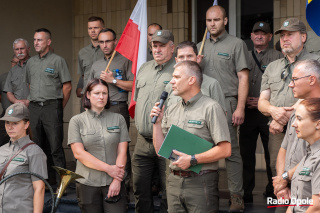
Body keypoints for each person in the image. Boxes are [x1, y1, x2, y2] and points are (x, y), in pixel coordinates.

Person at [151, 61, 231, 213]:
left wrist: (193, 159)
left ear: (191, 80)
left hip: (201, 182)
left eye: (176, 77)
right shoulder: (172, 108)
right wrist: (157, 123)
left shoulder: (211, 107)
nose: (171, 81)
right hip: (174, 181)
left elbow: (225, 150)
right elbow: (161, 150)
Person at [197, 5, 249, 210]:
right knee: (204, 148)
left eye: (216, 20)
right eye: (209, 21)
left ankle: (237, 196)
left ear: (225, 21)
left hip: (227, 101)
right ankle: (205, 192)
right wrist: (196, 64)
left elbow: (243, 77)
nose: (212, 24)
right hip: (202, 103)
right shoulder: (200, 46)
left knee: (230, 151)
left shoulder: (236, 44)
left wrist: (240, 107)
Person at [258, 18, 320, 185]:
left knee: (305, 170)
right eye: (282, 35)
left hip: (308, 127)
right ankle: (284, 205)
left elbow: (315, 94)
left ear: (303, 37)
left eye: (290, 34)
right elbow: (262, 101)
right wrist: (273, 111)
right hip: (277, 129)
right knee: (276, 169)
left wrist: (285, 116)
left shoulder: (316, 62)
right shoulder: (272, 67)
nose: (284, 39)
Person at [68, 78, 130, 213]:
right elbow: (79, 153)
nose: (101, 97)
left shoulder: (118, 119)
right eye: (97, 93)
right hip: (87, 183)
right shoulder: (77, 121)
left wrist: (117, 180)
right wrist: (109, 169)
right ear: (88, 95)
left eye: (105, 93)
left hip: (114, 182)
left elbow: (122, 152)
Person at [239, 21, 283, 203]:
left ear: (270, 37)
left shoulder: (278, 56)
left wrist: (263, 101)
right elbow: (237, 80)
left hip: (268, 113)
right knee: (246, 155)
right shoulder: (243, 56)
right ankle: (246, 192)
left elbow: (281, 85)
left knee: (271, 154)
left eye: (263, 33)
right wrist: (242, 100)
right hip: (247, 113)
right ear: (251, 36)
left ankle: (272, 190)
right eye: (256, 32)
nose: (259, 36)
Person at [132, 29, 175, 213]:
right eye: (154, 46)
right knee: (140, 190)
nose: (157, 50)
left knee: (168, 192)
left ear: (172, 48)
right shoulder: (144, 68)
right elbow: (136, 98)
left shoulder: (178, 70)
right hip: (142, 141)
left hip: (167, 139)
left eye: (162, 46)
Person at [25, 28, 72, 185]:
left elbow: (67, 87)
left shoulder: (58, 61)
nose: (36, 43)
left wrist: (59, 106)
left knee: (55, 147)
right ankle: (43, 182)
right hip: (34, 107)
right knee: (37, 147)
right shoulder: (30, 62)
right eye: (34, 40)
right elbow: (30, 84)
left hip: (52, 106)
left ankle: (62, 184)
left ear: (48, 42)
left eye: (39, 40)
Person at [272, 59, 320, 209]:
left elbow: (314, 156)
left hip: (310, 188)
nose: (290, 84)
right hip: (288, 189)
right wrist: (281, 183)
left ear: (312, 79)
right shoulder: (297, 111)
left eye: (294, 80)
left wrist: (285, 178)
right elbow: (284, 148)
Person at [0, 103, 47, 213]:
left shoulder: (35, 152)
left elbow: (39, 189)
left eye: (15, 123)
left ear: (26, 125)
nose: (10, 127)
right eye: (7, 122)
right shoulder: (1, 150)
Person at [88, 28, 133, 129]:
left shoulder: (125, 60)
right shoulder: (96, 65)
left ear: (115, 41)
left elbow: (133, 86)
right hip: (98, 108)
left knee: (121, 142)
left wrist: (113, 80)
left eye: (108, 41)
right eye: (101, 42)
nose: (104, 45)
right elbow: (89, 90)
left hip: (117, 107)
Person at [165, 40, 226, 112]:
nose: (185, 60)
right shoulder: (171, 85)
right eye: (181, 57)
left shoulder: (212, 84)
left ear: (198, 58)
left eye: (189, 56)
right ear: (176, 60)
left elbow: (220, 117)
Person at [286, 98, 320, 213]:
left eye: (299, 119)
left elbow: (317, 207)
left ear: (318, 124)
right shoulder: (309, 154)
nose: (294, 124)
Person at [78, 16, 105, 91]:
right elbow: (83, 75)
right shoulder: (82, 52)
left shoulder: (108, 50)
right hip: (87, 94)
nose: (93, 31)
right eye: (90, 28)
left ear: (102, 29)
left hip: (103, 94)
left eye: (96, 28)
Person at [4, 38, 31, 107]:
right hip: (17, 107)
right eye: (17, 49)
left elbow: (42, 88)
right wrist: (16, 101)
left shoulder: (36, 65)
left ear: (28, 49)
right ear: (14, 51)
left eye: (22, 48)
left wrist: (29, 100)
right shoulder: (12, 70)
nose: (19, 52)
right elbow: (9, 92)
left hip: (34, 107)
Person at [0, 55, 19, 147]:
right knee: (3, 141)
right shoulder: (3, 77)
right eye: (13, 62)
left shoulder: (28, 77)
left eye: (18, 63)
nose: (15, 65)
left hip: (22, 114)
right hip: (6, 114)